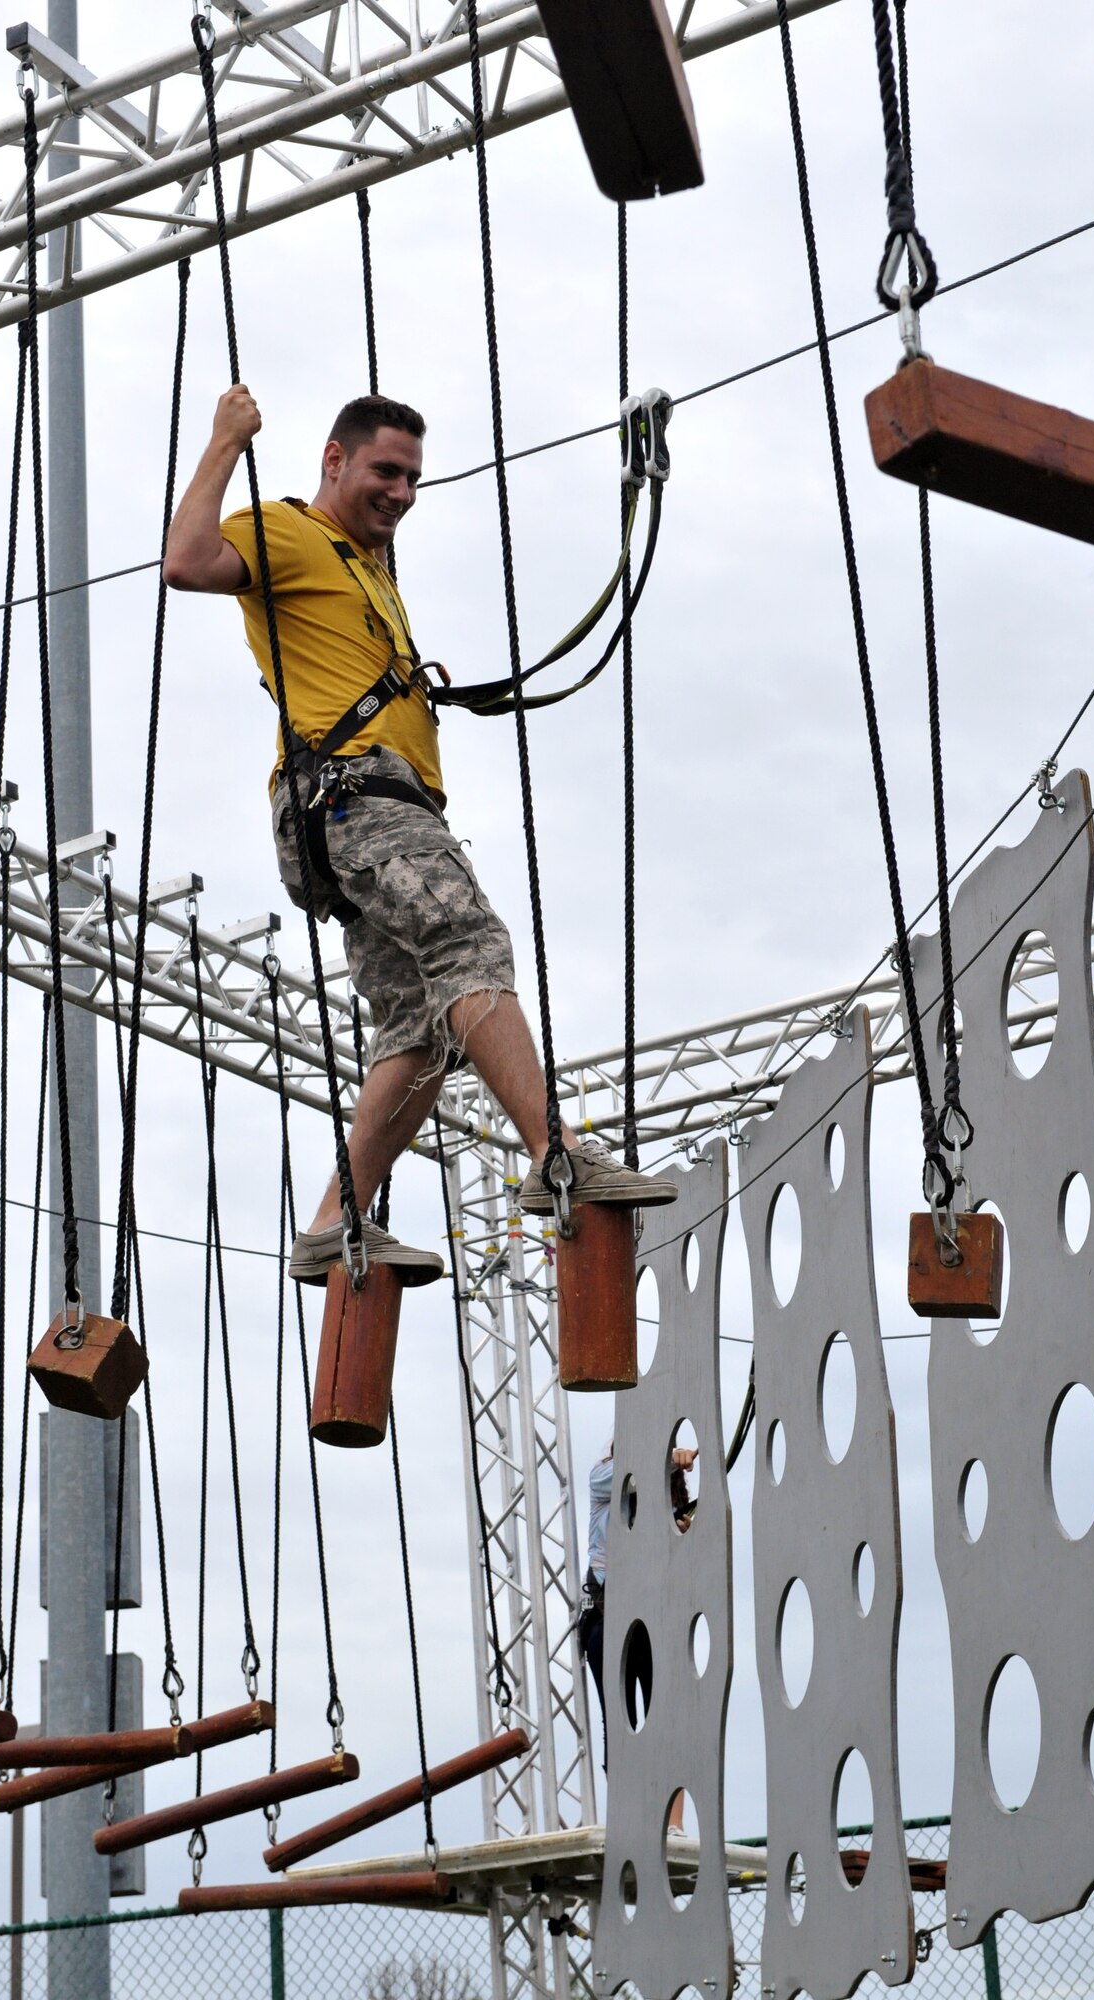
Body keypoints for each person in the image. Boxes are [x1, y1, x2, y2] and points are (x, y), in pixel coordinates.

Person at [163, 387, 676, 1282]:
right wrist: (223, 441)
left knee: (419, 1028)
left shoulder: (368, 562)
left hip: (361, 811)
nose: (400, 493)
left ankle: (337, 1222)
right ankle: (556, 1154)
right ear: (333, 460)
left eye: (413, 479)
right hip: (359, 799)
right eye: (384, 472)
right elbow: (187, 561)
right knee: (468, 946)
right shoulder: (287, 531)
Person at [579, 1440, 696, 1818]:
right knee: (620, 1722)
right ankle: (629, 1822)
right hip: (608, 1617)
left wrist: (685, 1536)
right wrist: (669, 1455)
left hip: (655, 1621)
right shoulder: (604, 1476)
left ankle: (674, 1827)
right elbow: (631, 1476)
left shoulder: (667, 1499)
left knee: (667, 1722)